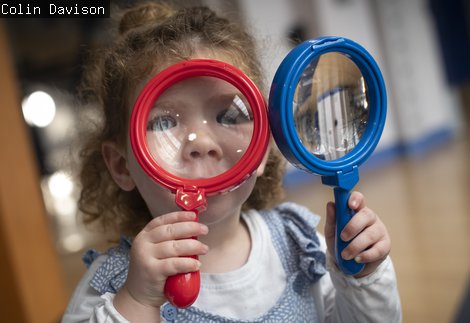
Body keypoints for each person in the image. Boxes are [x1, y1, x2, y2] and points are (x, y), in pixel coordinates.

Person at [62, 1, 402, 322]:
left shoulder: (300, 244)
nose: (203, 143)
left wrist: (365, 279)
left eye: (228, 115)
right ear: (122, 166)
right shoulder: (115, 283)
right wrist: (136, 302)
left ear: (262, 145)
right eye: (164, 123)